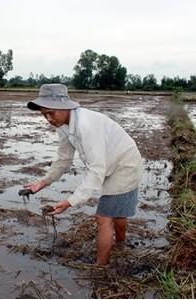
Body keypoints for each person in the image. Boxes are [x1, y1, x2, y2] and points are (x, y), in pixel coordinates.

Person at [24, 83, 143, 265]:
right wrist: (43, 182)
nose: (48, 119)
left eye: (51, 113)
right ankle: (120, 245)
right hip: (111, 163)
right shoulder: (63, 124)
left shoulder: (86, 127)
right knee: (117, 213)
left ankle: (100, 267)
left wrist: (70, 202)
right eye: (43, 114)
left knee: (103, 217)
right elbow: (64, 159)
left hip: (124, 165)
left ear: (64, 106)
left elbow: (96, 169)